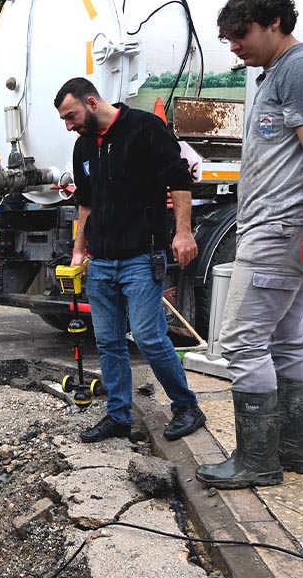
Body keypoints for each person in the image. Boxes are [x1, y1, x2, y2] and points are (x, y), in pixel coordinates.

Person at [197, 0, 303, 489]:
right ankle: (294, 450)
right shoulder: (276, 74)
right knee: (285, 339)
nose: (233, 46)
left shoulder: (302, 69)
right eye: (228, 38)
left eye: (241, 34)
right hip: (282, 224)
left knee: (240, 341)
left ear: (276, 22)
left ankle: (258, 460)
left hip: (281, 226)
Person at [54, 77, 207, 444]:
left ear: (92, 102)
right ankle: (119, 415)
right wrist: (79, 249)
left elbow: (179, 181)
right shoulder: (84, 147)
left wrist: (183, 233)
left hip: (141, 256)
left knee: (149, 337)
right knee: (108, 341)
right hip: (101, 261)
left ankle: (187, 406)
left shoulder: (144, 128)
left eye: (71, 115)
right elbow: (85, 202)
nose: (69, 125)